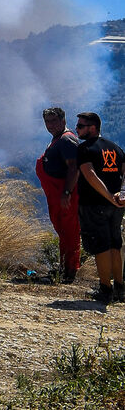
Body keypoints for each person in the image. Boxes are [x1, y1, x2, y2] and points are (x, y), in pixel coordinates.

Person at [73, 112, 125, 304]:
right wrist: (122, 196)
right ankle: (120, 288)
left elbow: (89, 174)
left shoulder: (85, 148)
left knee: (101, 245)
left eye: (80, 126)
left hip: (95, 205)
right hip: (118, 206)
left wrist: (110, 197)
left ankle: (105, 289)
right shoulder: (116, 148)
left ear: (92, 128)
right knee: (115, 243)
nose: (77, 129)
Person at [37, 107, 81, 282]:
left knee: (70, 232)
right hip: (57, 196)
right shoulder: (57, 139)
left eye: (54, 120)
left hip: (66, 196)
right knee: (63, 232)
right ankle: (64, 268)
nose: (50, 125)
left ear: (63, 120)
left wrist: (67, 192)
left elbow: (74, 167)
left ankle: (70, 271)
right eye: (47, 121)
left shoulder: (67, 139)